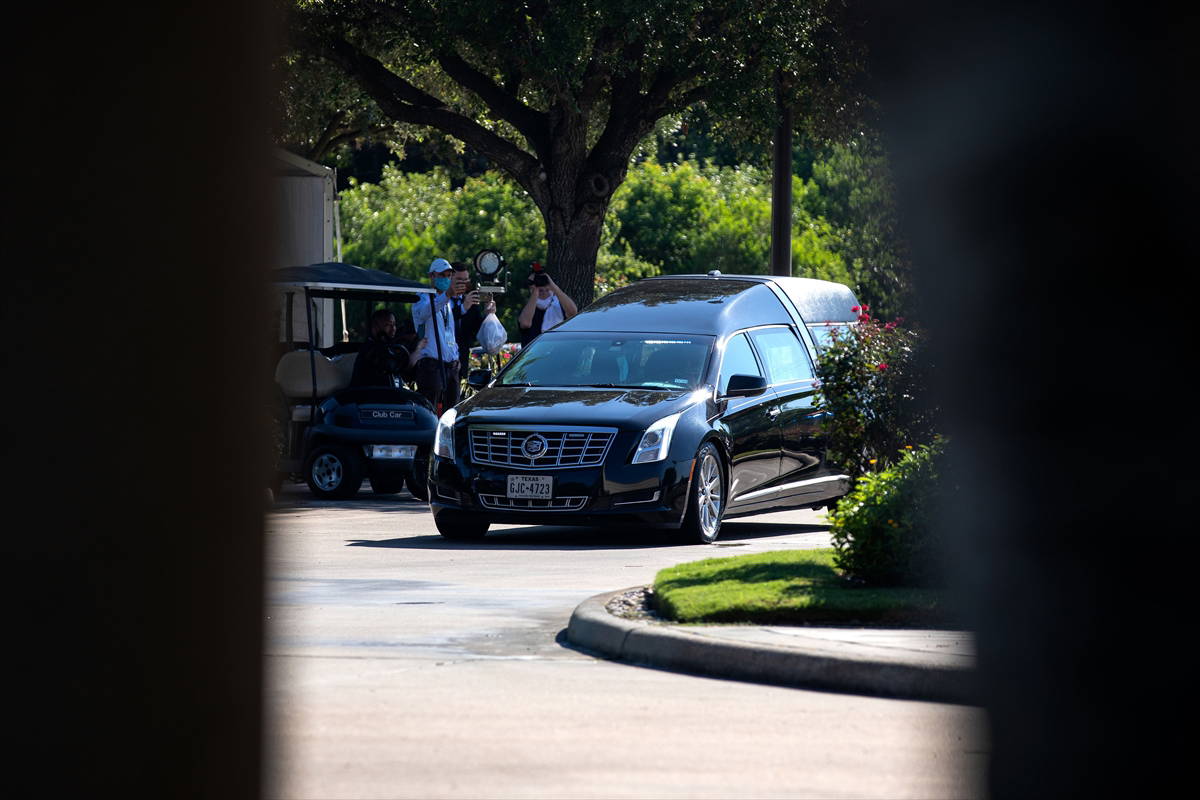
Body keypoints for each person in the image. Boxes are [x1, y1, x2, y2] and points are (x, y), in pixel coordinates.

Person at [411, 257, 461, 411]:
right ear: (431, 276)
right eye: (442, 275)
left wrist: (456, 357)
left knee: (452, 411)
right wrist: (446, 296)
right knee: (430, 409)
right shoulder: (421, 297)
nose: (446, 279)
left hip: (449, 366)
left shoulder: (447, 302)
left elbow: (449, 332)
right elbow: (425, 312)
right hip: (431, 365)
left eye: (448, 276)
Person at [349, 309, 424, 388]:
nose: (393, 329)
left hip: (385, 394)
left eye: (394, 325)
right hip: (369, 396)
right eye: (388, 325)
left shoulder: (386, 346)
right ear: (375, 327)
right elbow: (404, 367)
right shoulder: (371, 349)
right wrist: (419, 348)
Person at [450, 261, 497, 378]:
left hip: (461, 360)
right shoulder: (440, 300)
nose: (463, 283)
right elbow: (443, 320)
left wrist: (488, 314)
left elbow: (478, 332)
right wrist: (463, 308)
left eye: (466, 280)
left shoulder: (471, 301)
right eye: (459, 280)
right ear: (449, 278)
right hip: (441, 360)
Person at [518, 265, 578, 346]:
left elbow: (573, 312)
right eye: (541, 290)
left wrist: (552, 286)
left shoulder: (559, 305)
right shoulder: (528, 307)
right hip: (534, 353)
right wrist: (536, 289)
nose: (543, 291)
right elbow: (525, 323)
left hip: (558, 349)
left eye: (546, 289)